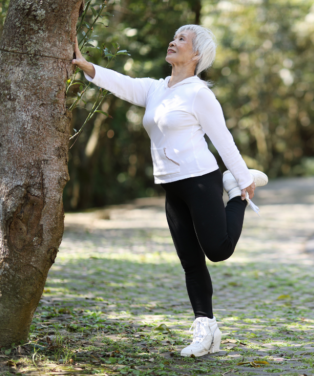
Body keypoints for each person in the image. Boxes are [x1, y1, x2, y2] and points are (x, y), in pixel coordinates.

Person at [72, 24, 268, 358]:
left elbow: (223, 139)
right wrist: (87, 65)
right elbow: (124, 84)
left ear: (197, 55)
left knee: (218, 251)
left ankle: (235, 193)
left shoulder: (199, 93)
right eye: (174, 37)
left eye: (181, 40)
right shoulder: (156, 89)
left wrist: (242, 177)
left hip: (201, 180)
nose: (173, 42)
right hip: (170, 185)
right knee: (190, 262)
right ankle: (205, 331)